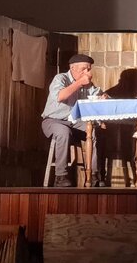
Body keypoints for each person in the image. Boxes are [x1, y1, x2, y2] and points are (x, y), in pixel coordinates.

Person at [41, 54, 106, 187]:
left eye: (89, 69)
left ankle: (93, 174)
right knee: (63, 132)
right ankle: (60, 176)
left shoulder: (88, 85)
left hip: (75, 122)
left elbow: (97, 94)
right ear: (73, 68)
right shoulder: (60, 78)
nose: (87, 72)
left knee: (94, 131)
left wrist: (103, 97)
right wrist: (79, 83)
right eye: (84, 69)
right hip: (53, 120)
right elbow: (60, 96)